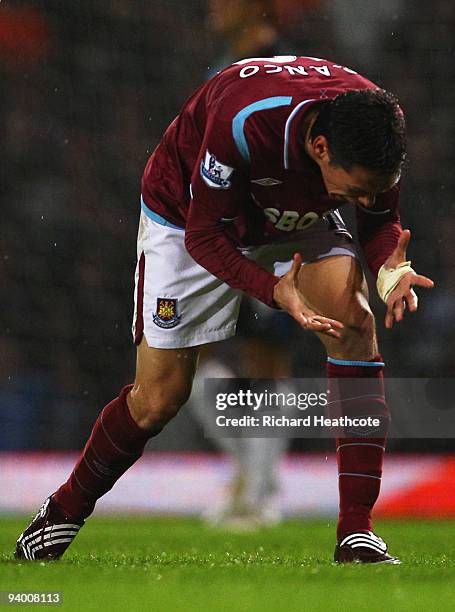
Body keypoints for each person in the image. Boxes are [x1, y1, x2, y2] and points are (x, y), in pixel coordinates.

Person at [15, 54, 434, 563]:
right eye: (356, 188)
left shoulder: (375, 130)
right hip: (189, 215)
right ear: (320, 147)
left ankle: (356, 533)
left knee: (355, 323)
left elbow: (379, 221)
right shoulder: (244, 120)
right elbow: (205, 236)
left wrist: (389, 273)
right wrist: (272, 289)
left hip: (293, 216)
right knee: (158, 399)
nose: (364, 198)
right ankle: (59, 516)